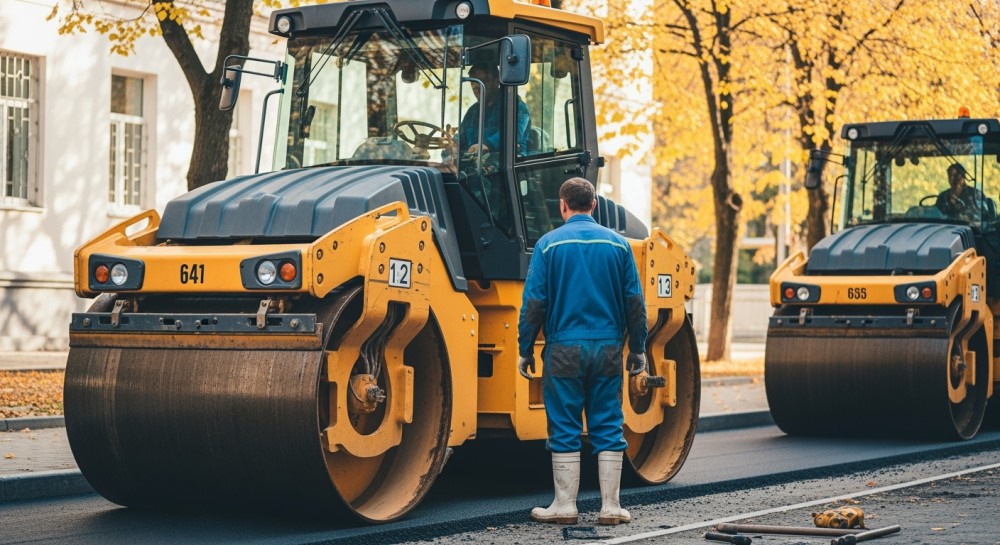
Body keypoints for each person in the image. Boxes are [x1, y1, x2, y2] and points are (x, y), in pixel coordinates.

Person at [517, 177, 648, 526]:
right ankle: (610, 507)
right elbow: (635, 303)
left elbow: (534, 304)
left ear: (563, 205)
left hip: (563, 350)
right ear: (594, 205)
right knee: (608, 424)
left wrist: (525, 348)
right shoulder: (619, 246)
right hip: (607, 348)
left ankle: (565, 505)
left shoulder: (548, 246)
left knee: (564, 425)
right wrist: (638, 349)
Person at [459, 63, 531, 156]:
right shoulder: (472, 111)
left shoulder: (514, 104)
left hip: (503, 163)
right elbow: (461, 137)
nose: (475, 87)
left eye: (483, 81)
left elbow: (513, 133)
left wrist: (487, 145)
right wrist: (453, 145)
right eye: (472, 82)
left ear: (497, 81)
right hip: (474, 165)